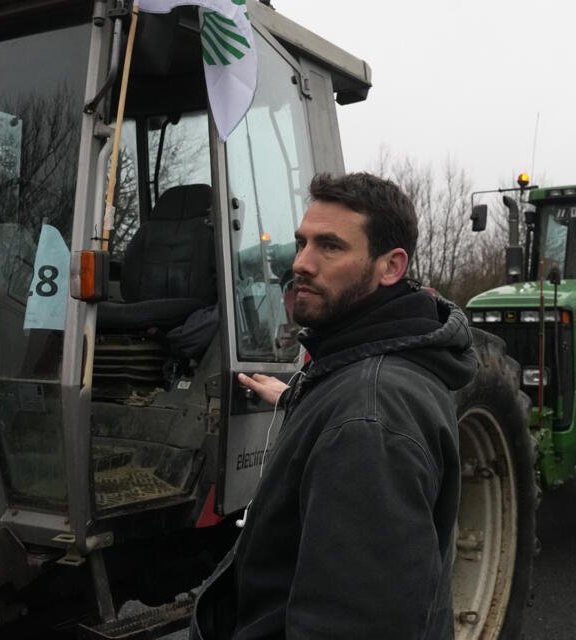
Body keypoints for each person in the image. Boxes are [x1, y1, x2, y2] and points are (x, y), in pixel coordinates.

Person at [191, 172, 477, 639]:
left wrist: (340, 414)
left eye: (330, 247)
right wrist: (303, 402)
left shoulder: (369, 416)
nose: (301, 263)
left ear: (391, 266)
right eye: (301, 243)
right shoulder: (365, 374)